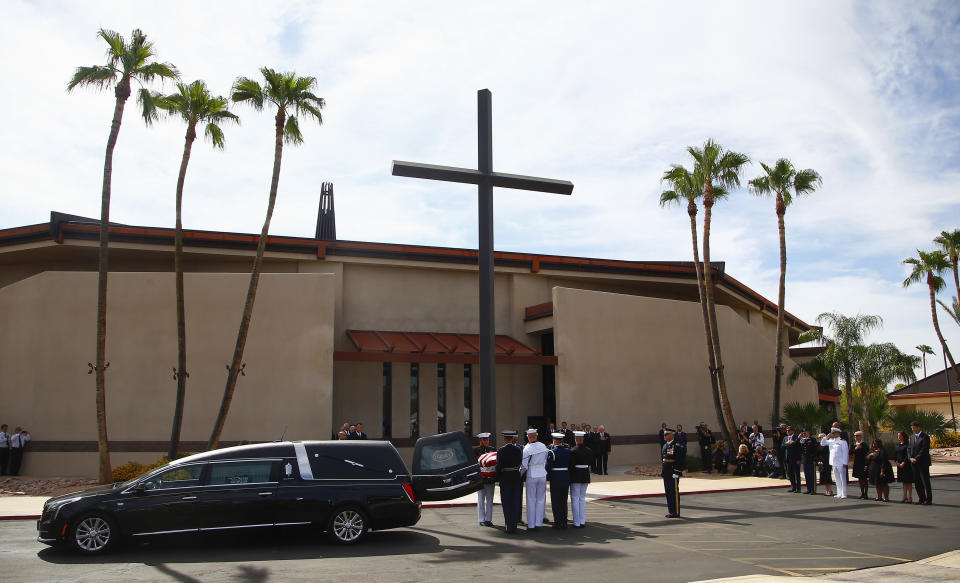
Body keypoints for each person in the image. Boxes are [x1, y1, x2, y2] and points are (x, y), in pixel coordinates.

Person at [495, 429, 523, 534]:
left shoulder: (501, 450)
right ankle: (514, 526)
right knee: (515, 502)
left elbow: (498, 466)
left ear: (505, 439)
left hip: (505, 477)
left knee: (506, 503)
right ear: (512, 439)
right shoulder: (518, 450)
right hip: (516, 477)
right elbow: (520, 462)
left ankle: (508, 525)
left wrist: (498, 477)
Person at [521, 428, 549, 530]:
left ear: (528, 437)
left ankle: (531, 525)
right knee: (541, 499)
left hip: (532, 474)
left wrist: (519, 475)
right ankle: (539, 523)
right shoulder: (543, 446)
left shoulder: (527, 448)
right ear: (536, 436)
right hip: (542, 474)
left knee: (531, 500)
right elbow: (546, 460)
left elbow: (524, 466)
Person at [547, 432, 571, 529]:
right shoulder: (568, 451)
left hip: (556, 478)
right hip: (565, 477)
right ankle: (564, 522)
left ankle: (558, 522)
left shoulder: (552, 452)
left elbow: (548, 467)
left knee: (556, 501)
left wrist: (548, 477)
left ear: (555, 441)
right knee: (563, 501)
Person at [569, 431, 593, 528]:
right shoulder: (589, 450)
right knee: (582, 498)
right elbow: (591, 462)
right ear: (582, 439)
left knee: (575, 498)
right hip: (585, 474)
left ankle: (576, 522)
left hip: (576, 475)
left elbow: (571, 464)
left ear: (576, 440)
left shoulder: (573, 451)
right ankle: (582, 521)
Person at [661, 427, 686, 518]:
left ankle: (676, 512)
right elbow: (664, 460)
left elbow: (680, 460)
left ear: (672, 435)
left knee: (674, 493)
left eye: (667, 434)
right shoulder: (665, 445)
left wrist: (677, 472)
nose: (665, 436)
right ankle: (671, 511)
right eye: (664, 434)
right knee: (668, 492)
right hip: (666, 472)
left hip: (673, 472)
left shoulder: (677, 445)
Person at [474, 433, 497, 527]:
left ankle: (488, 519)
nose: (487, 441)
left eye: (487, 440)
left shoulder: (493, 449)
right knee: (481, 499)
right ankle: (481, 519)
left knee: (490, 499)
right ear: (480, 441)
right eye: (484, 440)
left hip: (490, 477)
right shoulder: (475, 450)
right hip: (481, 478)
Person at [909, 420, 932, 505]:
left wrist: (916, 458)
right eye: (912, 428)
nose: (913, 429)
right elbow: (909, 448)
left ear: (919, 427)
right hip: (914, 463)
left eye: (914, 428)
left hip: (923, 463)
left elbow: (924, 449)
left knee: (925, 481)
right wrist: (910, 458)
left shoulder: (925, 437)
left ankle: (928, 499)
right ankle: (921, 498)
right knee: (917, 482)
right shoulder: (911, 437)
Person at [821, 426, 849, 498]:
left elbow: (846, 453)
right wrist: (826, 437)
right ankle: (839, 493)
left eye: (834, 433)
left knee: (843, 479)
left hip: (841, 463)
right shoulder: (831, 441)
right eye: (832, 433)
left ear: (838, 433)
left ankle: (844, 494)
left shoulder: (842, 441)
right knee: (837, 479)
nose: (832, 434)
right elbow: (822, 443)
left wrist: (845, 463)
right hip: (834, 463)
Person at [894, 430, 914, 503]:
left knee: (908, 481)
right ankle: (904, 496)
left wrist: (904, 462)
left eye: (900, 436)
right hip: (899, 465)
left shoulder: (908, 445)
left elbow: (908, 454)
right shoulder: (897, 445)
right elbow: (895, 454)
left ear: (904, 436)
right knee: (903, 482)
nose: (899, 437)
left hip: (907, 465)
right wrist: (896, 462)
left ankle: (910, 497)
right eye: (898, 436)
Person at [799, 428, 819, 494]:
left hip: (811, 459)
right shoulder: (802, 440)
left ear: (808, 432)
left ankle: (813, 489)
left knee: (811, 475)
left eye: (805, 433)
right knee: (806, 474)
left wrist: (815, 459)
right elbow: (801, 449)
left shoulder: (812, 439)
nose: (804, 434)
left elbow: (815, 450)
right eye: (803, 433)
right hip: (805, 459)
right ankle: (808, 489)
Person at [781, 426, 801, 492]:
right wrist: (787, 444)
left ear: (792, 431)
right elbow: (782, 446)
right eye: (787, 430)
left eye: (789, 430)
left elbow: (798, 449)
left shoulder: (796, 437)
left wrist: (799, 459)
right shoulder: (785, 438)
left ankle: (798, 488)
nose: (787, 432)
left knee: (796, 473)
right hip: (788, 458)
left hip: (795, 458)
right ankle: (793, 487)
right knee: (790, 473)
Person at [851, 431, 869, 499]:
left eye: (857, 436)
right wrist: (856, 449)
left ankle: (866, 494)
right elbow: (850, 452)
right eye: (855, 436)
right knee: (860, 479)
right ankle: (862, 493)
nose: (856, 437)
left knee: (864, 479)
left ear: (861, 436)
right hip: (857, 463)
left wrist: (866, 464)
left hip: (863, 463)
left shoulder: (864, 444)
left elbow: (866, 453)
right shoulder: (854, 445)